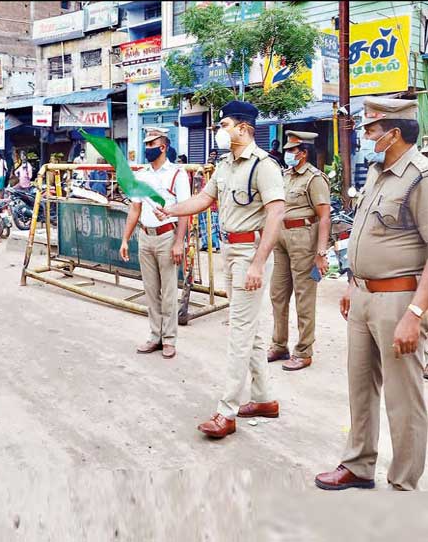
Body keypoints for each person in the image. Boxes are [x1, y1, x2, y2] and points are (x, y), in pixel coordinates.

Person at [315, 98, 428, 492]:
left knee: (404, 397)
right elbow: (365, 233)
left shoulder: (420, 177)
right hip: (362, 296)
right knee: (360, 386)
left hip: (399, 300)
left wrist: (415, 313)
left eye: (371, 129)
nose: (365, 136)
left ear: (394, 134)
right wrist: (351, 283)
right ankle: (359, 465)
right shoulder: (378, 174)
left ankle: (403, 485)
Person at [157, 100, 285, 439]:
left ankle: (226, 412)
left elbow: (276, 216)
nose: (220, 131)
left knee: (239, 333)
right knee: (252, 329)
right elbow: (203, 199)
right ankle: (264, 399)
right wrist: (170, 209)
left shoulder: (264, 166)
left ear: (243, 128)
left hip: (250, 253)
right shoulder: (226, 165)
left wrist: (258, 262)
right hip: (230, 250)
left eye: (225, 125)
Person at [120, 127, 190, 359]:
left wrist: (179, 242)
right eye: (146, 144)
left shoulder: (177, 174)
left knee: (169, 290)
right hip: (145, 236)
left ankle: (169, 339)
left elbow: (185, 212)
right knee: (150, 290)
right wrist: (125, 238)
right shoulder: (142, 175)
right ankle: (155, 335)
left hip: (167, 236)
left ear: (163, 147)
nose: (147, 149)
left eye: (151, 145)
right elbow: (135, 208)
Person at [267, 131, 331, 371]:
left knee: (304, 297)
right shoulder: (285, 176)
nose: (287, 154)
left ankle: (304, 351)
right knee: (278, 294)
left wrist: (321, 252)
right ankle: (279, 344)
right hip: (282, 238)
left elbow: (325, 217)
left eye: (292, 150)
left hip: (304, 237)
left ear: (303, 153)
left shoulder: (315, 179)